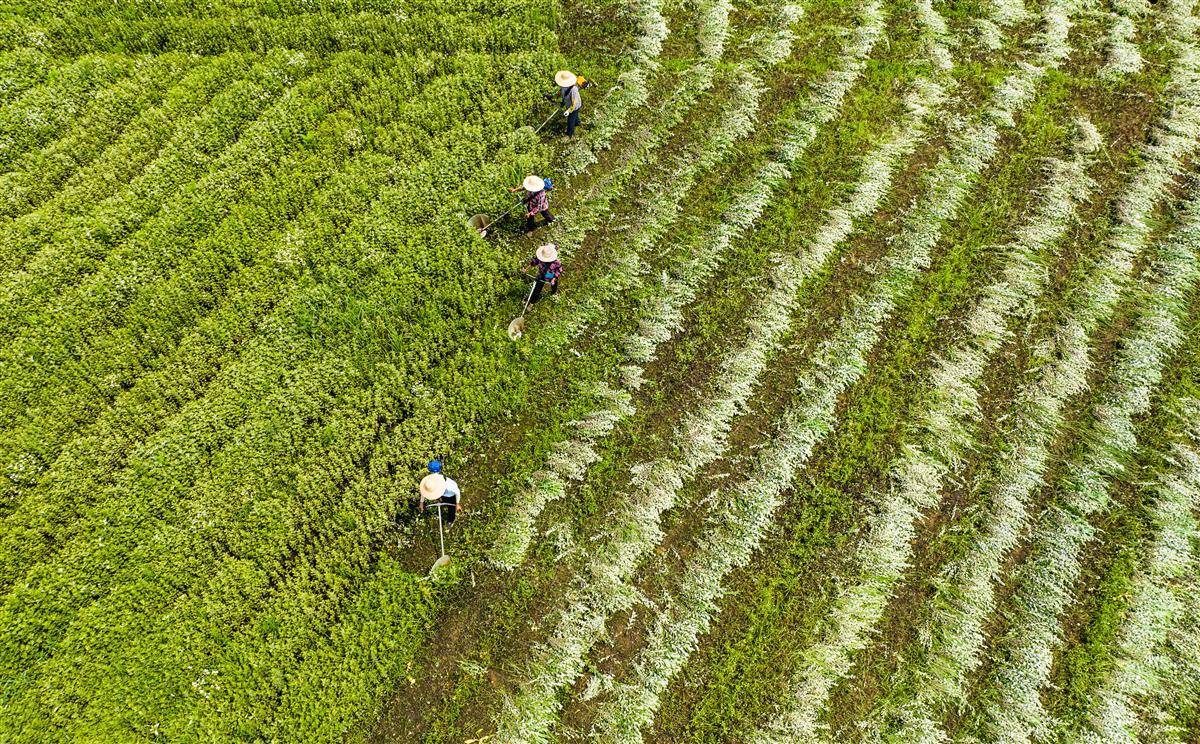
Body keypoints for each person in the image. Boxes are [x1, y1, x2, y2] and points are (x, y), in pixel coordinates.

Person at [419, 460, 462, 528]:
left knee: (451, 509)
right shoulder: (430, 481)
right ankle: (442, 501)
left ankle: (451, 520)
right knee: (443, 500)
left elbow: (457, 492)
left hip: (450, 496)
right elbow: (424, 490)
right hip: (443, 495)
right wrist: (421, 503)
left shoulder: (449, 486)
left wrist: (457, 504)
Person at [555, 70, 582, 140]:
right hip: (568, 103)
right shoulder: (562, 86)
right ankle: (578, 123)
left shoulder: (574, 89)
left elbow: (574, 103)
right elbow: (560, 93)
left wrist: (568, 111)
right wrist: (554, 97)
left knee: (570, 120)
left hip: (574, 106)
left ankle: (569, 134)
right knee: (575, 117)